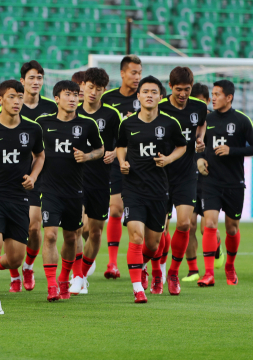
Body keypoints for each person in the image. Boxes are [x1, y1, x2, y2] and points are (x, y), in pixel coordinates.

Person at [116, 76, 187, 303]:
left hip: (158, 190)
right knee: (135, 237)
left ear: (160, 97)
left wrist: (168, 159)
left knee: (153, 245)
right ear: (138, 96)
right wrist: (122, 162)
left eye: (153, 92)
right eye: (144, 91)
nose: (148, 95)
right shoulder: (127, 124)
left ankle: (144, 265)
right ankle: (138, 288)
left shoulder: (169, 124)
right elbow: (120, 146)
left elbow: (182, 146)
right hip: (133, 189)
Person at [0, 80, 45, 314]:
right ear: (0, 100)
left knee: (15, 259)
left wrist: (34, 176)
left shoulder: (32, 128)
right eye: (11, 97)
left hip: (19, 197)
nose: (16, 101)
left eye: (19, 96)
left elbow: (40, 155)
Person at [37, 80, 104, 301]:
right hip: (49, 190)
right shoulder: (42, 124)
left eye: (77, 94)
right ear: (56, 98)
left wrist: (87, 156)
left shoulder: (87, 125)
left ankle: (64, 280)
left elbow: (100, 149)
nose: (74, 98)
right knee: (49, 235)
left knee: (71, 237)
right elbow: (33, 152)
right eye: (68, 94)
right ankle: (51, 285)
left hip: (75, 191)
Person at [197, 80, 253, 287]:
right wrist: (199, 159)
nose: (212, 98)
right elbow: (195, 146)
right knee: (209, 224)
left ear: (229, 97)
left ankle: (230, 265)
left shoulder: (242, 120)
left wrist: (231, 151)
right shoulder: (206, 120)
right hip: (210, 181)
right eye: (212, 94)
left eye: (217, 94)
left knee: (232, 229)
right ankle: (208, 273)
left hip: (234, 183)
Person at [156, 67, 207, 295]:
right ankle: (157, 270)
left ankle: (174, 273)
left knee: (185, 223)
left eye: (187, 89)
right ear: (170, 87)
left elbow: (201, 125)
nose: (183, 94)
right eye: (179, 90)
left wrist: (200, 139)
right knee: (159, 231)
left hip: (186, 173)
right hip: (160, 173)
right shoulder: (159, 107)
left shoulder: (199, 107)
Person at [70, 68, 121, 295]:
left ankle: (84, 270)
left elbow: (123, 142)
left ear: (104, 91)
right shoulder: (72, 112)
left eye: (98, 89)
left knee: (96, 231)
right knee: (77, 227)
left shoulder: (111, 115)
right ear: (83, 86)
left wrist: (114, 152)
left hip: (101, 179)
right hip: (74, 178)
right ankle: (77, 276)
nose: (93, 92)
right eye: (89, 87)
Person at [16, 60, 58, 291]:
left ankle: (28, 267)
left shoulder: (53, 107)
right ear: (22, 81)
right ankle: (13, 274)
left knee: (34, 226)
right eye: (31, 78)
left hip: (44, 176)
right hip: (16, 175)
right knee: (12, 229)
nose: (36, 82)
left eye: (39, 78)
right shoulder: (13, 106)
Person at [100, 55, 142, 279]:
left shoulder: (146, 95)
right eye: (133, 73)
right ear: (123, 73)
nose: (137, 77)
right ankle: (112, 263)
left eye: (139, 73)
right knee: (115, 209)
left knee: (141, 215)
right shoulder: (108, 98)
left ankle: (144, 263)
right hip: (117, 161)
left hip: (143, 163)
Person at [182, 83, 224, 282]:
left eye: (201, 102)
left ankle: (217, 247)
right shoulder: (183, 120)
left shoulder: (214, 122)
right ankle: (192, 269)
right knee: (189, 225)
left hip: (207, 179)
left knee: (205, 227)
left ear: (207, 102)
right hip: (187, 177)